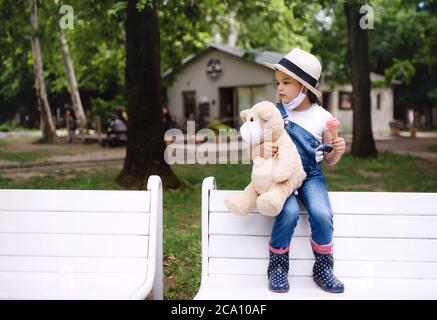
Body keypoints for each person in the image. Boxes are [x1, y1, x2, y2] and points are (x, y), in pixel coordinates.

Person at [255, 48, 346, 293]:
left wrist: (337, 149)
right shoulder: (273, 114)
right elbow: (255, 151)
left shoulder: (322, 117)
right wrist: (264, 149)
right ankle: (277, 267)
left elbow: (330, 160)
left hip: (311, 175)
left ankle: (324, 268)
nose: (280, 88)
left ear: (304, 87)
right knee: (288, 212)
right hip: (281, 175)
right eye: (277, 83)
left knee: (322, 213)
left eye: (286, 82)